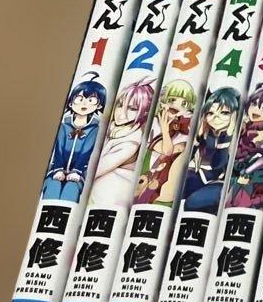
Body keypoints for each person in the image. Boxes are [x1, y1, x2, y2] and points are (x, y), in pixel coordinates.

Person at [88, 79, 155, 208]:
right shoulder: (114, 128)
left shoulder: (131, 142)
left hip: (112, 195)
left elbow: (95, 171)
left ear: (145, 113)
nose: (122, 113)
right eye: (120, 105)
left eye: (132, 108)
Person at [42, 76, 107, 202]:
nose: (84, 104)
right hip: (56, 169)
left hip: (79, 172)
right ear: (71, 102)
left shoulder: (94, 129)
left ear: (99, 106)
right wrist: (58, 169)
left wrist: (76, 171)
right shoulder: (64, 126)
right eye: (79, 99)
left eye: (91, 100)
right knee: (52, 186)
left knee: (71, 190)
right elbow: (58, 150)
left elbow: (86, 152)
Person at [135, 80, 197, 205]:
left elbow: (182, 149)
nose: (177, 106)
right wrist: (164, 130)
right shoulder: (154, 123)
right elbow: (167, 150)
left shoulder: (183, 129)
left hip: (166, 180)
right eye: (172, 100)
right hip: (148, 169)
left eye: (184, 103)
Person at [227, 82, 263, 209]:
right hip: (237, 169)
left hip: (253, 173)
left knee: (239, 199)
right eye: (254, 104)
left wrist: (247, 171)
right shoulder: (245, 125)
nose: (256, 110)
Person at [182, 87, 238, 213]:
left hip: (223, 182)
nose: (216, 118)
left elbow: (218, 164)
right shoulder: (208, 133)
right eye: (210, 113)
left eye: (224, 113)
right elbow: (187, 158)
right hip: (200, 176)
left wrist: (227, 136)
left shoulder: (237, 136)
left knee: (193, 203)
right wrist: (198, 138)